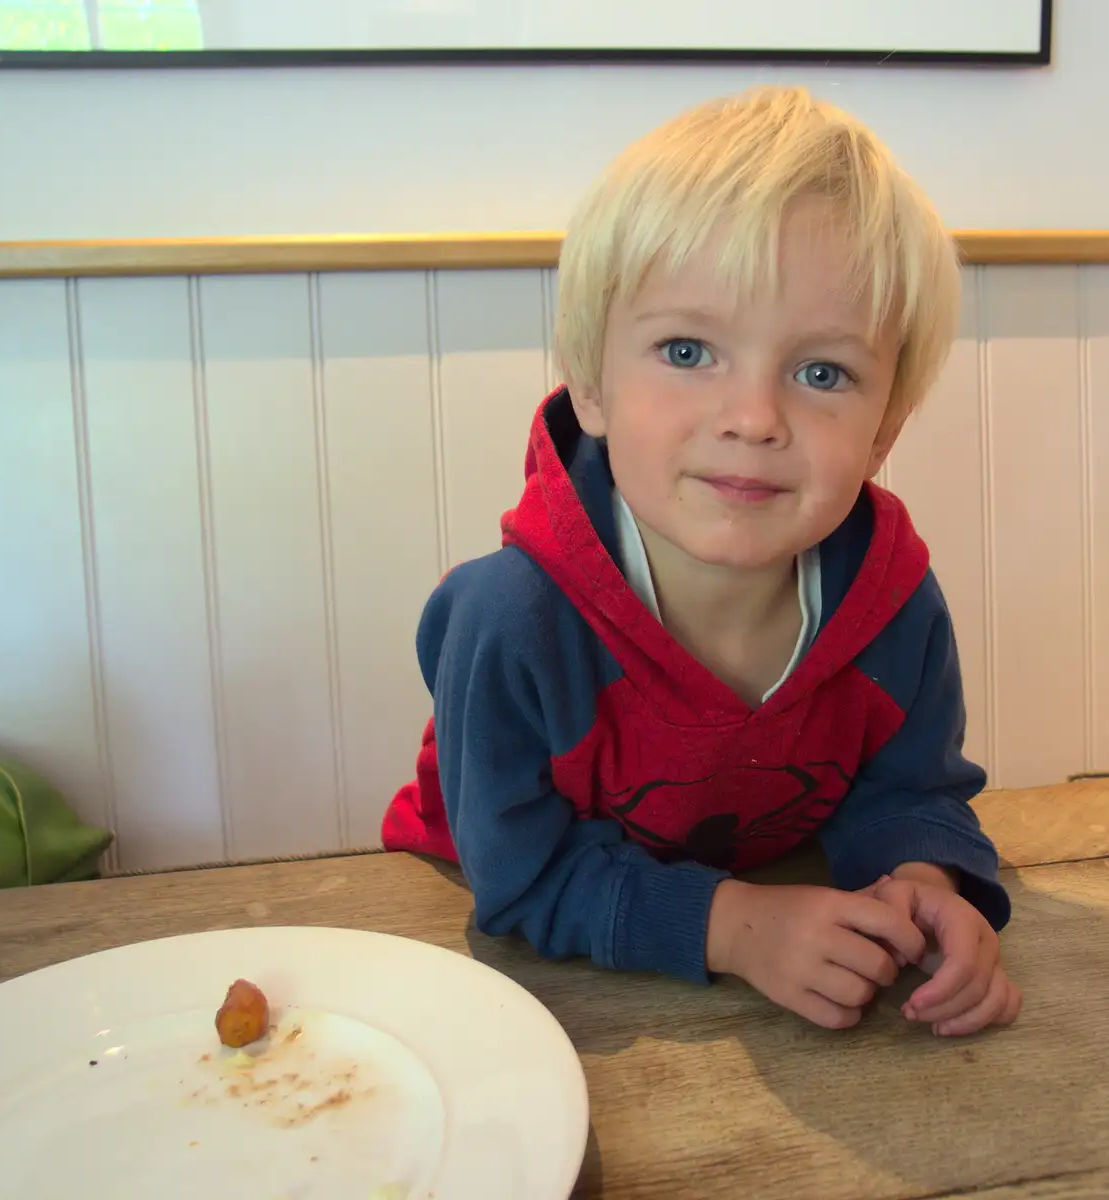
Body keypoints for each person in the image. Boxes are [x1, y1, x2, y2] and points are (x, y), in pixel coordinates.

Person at [383, 84, 1021, 1037]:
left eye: (821, 374)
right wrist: (732, 925)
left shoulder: (895, 605)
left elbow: (910, 790)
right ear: (590, 385)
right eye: (687, 349)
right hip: (499, 971)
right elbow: (518, 881)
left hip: (787, 924)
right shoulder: (510, 619)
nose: (754, 419)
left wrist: (925, 883)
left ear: (885, 429)